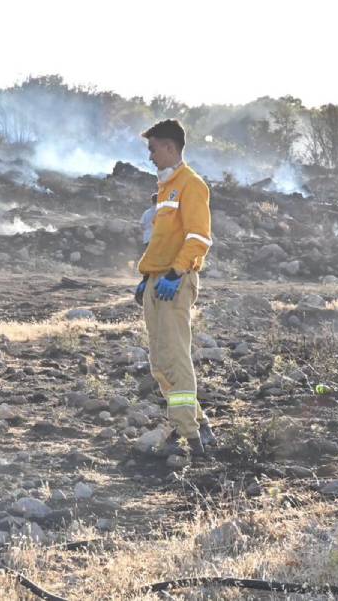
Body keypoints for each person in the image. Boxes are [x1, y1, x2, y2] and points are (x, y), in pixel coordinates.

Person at [136, 119, 215, 459]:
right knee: (159, 360)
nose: (150, 156)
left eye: (153, 149)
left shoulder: (191, 185)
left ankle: (189, 438)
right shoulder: (167, 188)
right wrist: (147, 275)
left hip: (175, 282)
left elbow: (199, 237)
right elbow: (162, 238)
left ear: (169, 147)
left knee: (176, 359)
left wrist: (175, 273)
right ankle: (200, 426)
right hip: (158, 280)